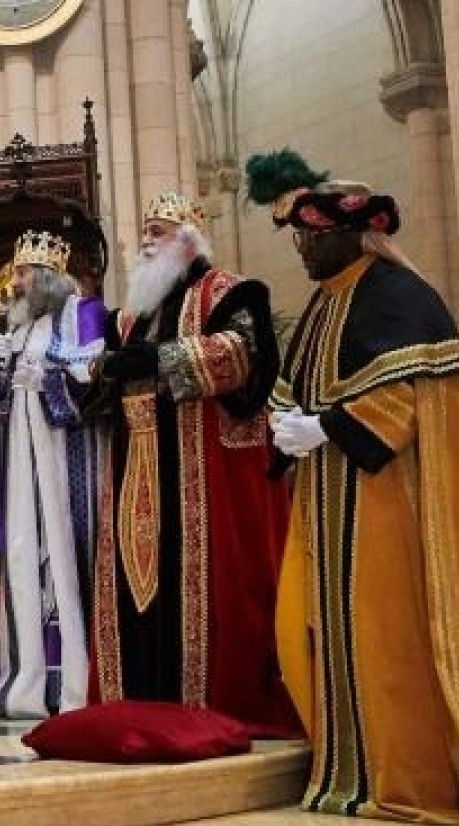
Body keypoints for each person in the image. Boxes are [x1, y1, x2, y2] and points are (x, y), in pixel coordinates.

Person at [246, 154, 459, 826]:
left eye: (312, 237)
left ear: (352, 233)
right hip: (328, 505)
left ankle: (404, 779)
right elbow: (294, 388)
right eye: (298, 238)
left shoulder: (400, 296)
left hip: (386, 507)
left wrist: (329, 426)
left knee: (387, 641)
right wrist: (288, 426)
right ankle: (346, 772)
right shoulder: (325, 302)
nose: (303, 248)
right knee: (325, 635)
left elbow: (413, 396)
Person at [86, 191, 302, 738]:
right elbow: (108, 382)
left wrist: (161, 358)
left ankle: (205, 698)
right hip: (136, 457)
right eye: (145, 231)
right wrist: (99, 373)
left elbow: (245, 354)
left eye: (157, 232)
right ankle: (136, 694)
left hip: (201, 468)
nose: (145, 241)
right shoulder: (133, 311)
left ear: (187, 240)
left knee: (203, 580)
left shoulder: (228, 292)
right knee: (137, 579)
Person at [0, 230, 101, 720]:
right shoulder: (15, 328)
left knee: (65, 553)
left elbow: (93, 379)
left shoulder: (80, 315)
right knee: (25, 551)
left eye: (23, 273)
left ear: (48, 278)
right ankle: (26, 677)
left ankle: (72, 676)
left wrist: (46, 379)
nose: (15, 282)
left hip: (63, 458)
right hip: (20, 461)